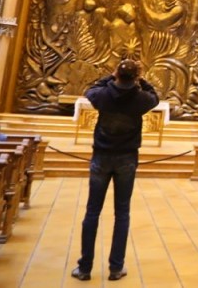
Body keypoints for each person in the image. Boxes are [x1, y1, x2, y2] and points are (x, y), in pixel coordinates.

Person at [72, 59, 159, 282]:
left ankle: (85, 268)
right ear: (136, 77)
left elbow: (90, 89)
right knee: (122, 213)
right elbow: (155, 96)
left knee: (92, 212)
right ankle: (115, 267)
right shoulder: (141, 98)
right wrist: (142, 80)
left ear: (117, 74)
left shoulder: (102, 95)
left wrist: (110, 77)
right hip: (127, 158)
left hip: (102, 156)